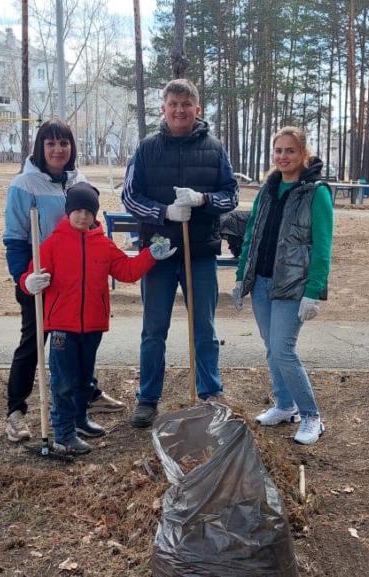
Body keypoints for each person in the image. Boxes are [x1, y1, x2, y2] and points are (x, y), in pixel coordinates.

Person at [20, 183, 178, 455]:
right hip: (62, 326)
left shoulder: (103, 245)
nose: (82, 216)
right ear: (68, 212)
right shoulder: (53, 244)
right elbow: (32, 277)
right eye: (77, 210)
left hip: (92, 325)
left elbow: (126, 271)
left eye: (88, 211)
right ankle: (63, 432)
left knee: (84, 378)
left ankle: (80, 420)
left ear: (95, 214)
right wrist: (29, 282)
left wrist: (150, 255)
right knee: (63, 382)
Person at [121, 78, 239, 428]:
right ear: (163, 109)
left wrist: (203, 200)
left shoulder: (215, 149)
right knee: (154, 328)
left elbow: (230, 196)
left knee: (204, 326)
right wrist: (164, 213)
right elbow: (129, 197)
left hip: (199, 253)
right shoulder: (146, 149)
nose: (179, 110)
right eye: (173, 104)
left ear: (197, 109)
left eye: (186, 104)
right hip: (158, 254)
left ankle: (209, 393)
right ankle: (147, 398)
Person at [2, 119, 125, 444]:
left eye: (64, 144)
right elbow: (15, 238)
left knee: (80, 343)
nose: (58, 150)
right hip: (41, 279)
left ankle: (85, 400)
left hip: (74, 284)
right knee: (34, 343)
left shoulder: (78, 180)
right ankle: (16, 412)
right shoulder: (24, 185)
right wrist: (23, 280)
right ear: (41, 148)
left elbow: (91, 226)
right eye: (51, 144)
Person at [230, 126, 333, 445]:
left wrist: (313, 291)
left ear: (304, 153)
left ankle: (312, 416)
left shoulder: (316, 192)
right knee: (272, 348)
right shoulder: (267, 189)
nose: (283, 156)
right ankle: (285, 406)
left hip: (292, 285)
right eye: (278, 151)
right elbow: (251, 235)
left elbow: (322, 245)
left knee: (284, 349)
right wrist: (240, 276)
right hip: (261, 282)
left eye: (290, 150)